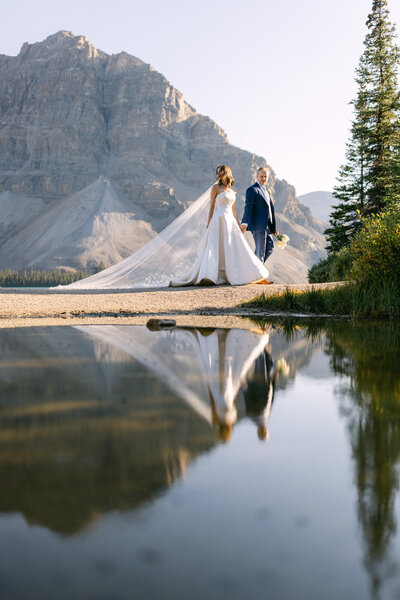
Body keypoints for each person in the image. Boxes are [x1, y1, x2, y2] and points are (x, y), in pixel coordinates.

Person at [170, 165, 273, 286]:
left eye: (221, 172)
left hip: (231, 222)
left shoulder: (233, 191)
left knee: (239, 248)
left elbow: (233, 209)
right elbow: (212, 206)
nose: (218, 175)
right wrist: (209, 222)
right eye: (217, 173)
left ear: (227, 173)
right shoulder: (215, 188)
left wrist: (239, 224)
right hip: (218, 220)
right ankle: (209, 276)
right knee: (215, 247)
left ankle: (256, 276)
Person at [241, 166, 279, 264]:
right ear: (257, 176)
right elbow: (248, 207)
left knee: (270, 249)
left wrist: (274, 228)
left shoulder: (266, 191)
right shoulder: (252, 189)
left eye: (265, 177)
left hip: (268, 226)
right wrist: (244, 223)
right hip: (258, 226)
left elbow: (270, 210)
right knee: (260, 252)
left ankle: (252, 268)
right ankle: (258, 276)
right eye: (261, 176)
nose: (263, 178)